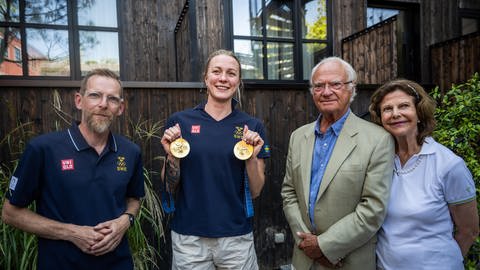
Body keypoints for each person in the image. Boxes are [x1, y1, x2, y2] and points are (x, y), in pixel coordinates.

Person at [1, 68, 145, 270]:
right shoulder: (44, 149)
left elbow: (134, 199)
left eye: (112, 99)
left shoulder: (130, 152)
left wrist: (125, 220)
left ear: (120, 108)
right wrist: (72, 233)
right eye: (95, 95)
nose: (103, 104)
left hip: (118, 263)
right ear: (79, 101)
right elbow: (10, 213)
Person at [281, 56, 395, 269]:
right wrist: (307, 243)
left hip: (348, 260)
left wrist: (324, 246)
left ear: (352, 89)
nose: (326, 92)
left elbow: (373, 208)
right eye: (319, 86)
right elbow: (289, 193)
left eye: (335, 84)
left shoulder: (378, 139)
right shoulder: (298, 136)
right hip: (304, 258)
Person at [160, 49, 270, 269]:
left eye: (231, 73)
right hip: (189, 239)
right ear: (206, 78)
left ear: (238, 81)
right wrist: (172, 156)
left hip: (236, 238)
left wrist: (251, 157)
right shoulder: (180, 122)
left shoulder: (252, 127)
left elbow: (256, 190)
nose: (223, 78)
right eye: (216, 71)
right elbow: (169, 186)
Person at [369, 79, 479, 270]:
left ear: (419, 113)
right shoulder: (377, 162)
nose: (396, 114)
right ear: (380, 118)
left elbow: (469, 230)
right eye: (387, 109)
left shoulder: (449, 165)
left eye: (404, 106)